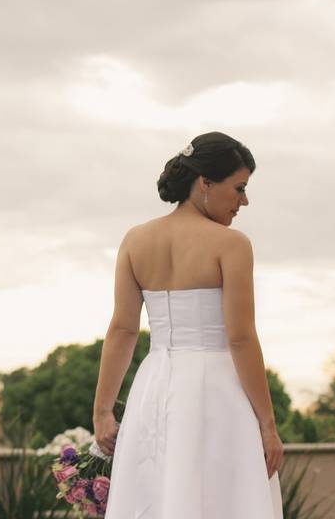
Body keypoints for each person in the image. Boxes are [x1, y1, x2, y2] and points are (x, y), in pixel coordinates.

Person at [92, 131, 285, 518]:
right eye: (240, 188)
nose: (244, 201)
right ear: (205, 183)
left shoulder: (135, 240)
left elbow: (123, 331)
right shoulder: (231, 244)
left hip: (153, 388)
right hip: (216, 393)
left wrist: (102, 411)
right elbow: (241, 338)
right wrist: (267, 424)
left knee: (158, 497)